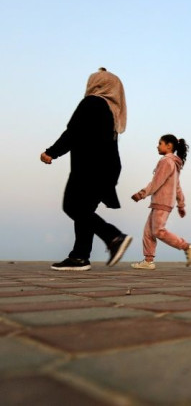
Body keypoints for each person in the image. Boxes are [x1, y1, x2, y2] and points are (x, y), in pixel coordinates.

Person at [41, 68, 132, 271]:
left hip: (90, 166)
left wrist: (51, 152)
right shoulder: (111, 110)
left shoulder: (92, 102)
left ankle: (113, 236)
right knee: (84, 211)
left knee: (73, 206)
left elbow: (73, 133)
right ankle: (80, 257)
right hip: (106, 167)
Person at [130, 134, 191, 270]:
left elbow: (156, 182)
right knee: (148, 232)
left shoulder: (166, 162)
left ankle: (186, 247)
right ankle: (148, 261)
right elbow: (177, 187)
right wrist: (181, 205)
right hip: (161, 202)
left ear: (169, 146)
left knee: (158, 231)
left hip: (162, 202)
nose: (157, 146)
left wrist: (141, 194)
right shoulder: (173, 164)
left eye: (160, 143)